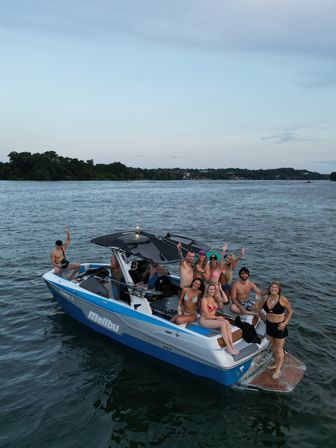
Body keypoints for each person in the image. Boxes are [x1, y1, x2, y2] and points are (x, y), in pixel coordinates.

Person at [256, 282, 293, 379]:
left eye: (276, 287)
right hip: (269, 325)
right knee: (273, 346)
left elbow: (290, 311)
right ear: (269, 288)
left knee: (278, 349)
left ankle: (278, 370)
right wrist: (263, 317)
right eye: (272, 287)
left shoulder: (282, 299)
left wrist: (285, 323)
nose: (273, 288)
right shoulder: (265, 298)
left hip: (279, 326)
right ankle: (277, 363)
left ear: (279, 289)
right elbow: (258, 308)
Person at [200, 283, 239, 356]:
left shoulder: (215, 298)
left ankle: (232, 345)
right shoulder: (204, 300)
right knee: (223, 323)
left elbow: (226, 300)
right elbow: (207, 316)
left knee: (227, 322)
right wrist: (218, 318)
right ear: (207, 290)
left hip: (212, 319)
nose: (212, 291)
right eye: (210, 289)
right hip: (205, 320)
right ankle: (228, 347)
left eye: (213, 289)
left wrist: (220, 289)